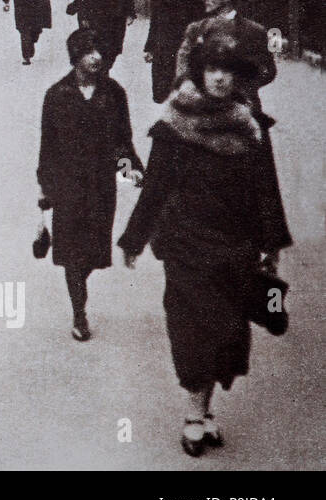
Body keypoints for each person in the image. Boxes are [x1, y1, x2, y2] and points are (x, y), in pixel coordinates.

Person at [118, 39, 291, 457]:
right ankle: (194, 415)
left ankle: (205, 408)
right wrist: (134, 238)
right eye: (211, 69)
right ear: (197, 73)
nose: (219, 77)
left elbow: (266, 188)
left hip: (236, 244)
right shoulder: (174, 125)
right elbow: (156, 186)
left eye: (227, 70)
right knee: (193, 329)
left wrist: (272, 242)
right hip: (186, 244)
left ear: (236, 76)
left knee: (227, 331)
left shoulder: (250, 125)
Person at [37, 29, 143, 342]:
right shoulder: (57, 95)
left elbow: (123, 142)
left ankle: (79, 290)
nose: (96, 57)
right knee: (71, 251)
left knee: (94, 252)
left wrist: (131, 170)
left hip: (100, 185)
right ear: (75, 57)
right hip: (68, 185)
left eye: (99, 51)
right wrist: (46, 187)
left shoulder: (114, 93)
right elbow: (48, 146)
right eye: (88, 52)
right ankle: (79, 313)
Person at [144, 0, 203, 103]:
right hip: (160, 49)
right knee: (159, 94)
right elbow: (155, 22)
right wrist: (149, 48)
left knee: (178, 94)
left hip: (179, 49)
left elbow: (196, 23)